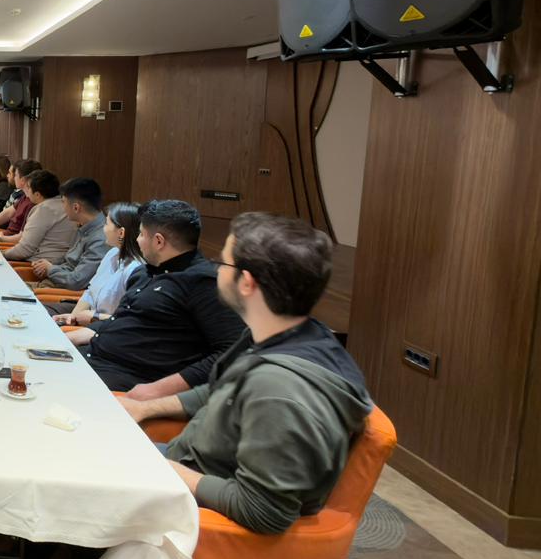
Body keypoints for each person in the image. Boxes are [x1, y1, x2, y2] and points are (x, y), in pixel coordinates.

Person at [120, 212, 371, 534]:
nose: (215, 270)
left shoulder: (280, 390)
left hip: (192, 510)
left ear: (247, 282)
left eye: (222, 263)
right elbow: (222, 389)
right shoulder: (285, 334)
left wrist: (160, 467)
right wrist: (145, 407)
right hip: (182, 463)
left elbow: (264, 511)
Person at [76, 199, 247, 398]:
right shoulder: (143, 273)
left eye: (141, 234)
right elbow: (122, 320)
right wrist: (80, 334)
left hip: (127, 381)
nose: (137, 240)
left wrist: (159, 389)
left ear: (158, 241)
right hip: (92, 358)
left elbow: (232, 351)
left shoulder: (202, 283)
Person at [49, 201, 144, 321]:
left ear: (121, 233)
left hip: (105, 326)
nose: (103, 229)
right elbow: (90, 292)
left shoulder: (135, 269)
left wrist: (93, 317)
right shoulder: (112, 253)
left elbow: (128, 320)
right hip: (88, 316)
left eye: (106, 224)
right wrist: (73, 317)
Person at [28, 177, 109, 291]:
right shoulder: (84, 226)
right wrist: (46, 265)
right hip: (50, 284)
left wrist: (50, 269)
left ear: (76, 207)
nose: (63, 207)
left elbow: (76, 281)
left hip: (57, 292)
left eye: (63, 202)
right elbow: (69, 260)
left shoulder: (101, 238)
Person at [0, 170, 75, 262]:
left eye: (28, 187)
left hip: (38, 264)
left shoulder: (43, 209)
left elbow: (24, 251)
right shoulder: (65, 205)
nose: (26, 190)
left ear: (37, 194)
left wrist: (0, 254)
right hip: (58, 262)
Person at [0, 159, 40, 231]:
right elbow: (8, 213)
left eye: (15, 175)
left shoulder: (32, 202)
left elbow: (21, 234)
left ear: (22, 180)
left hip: (4, 234)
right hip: (3, 233)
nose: (13, 178)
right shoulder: (24, 197)